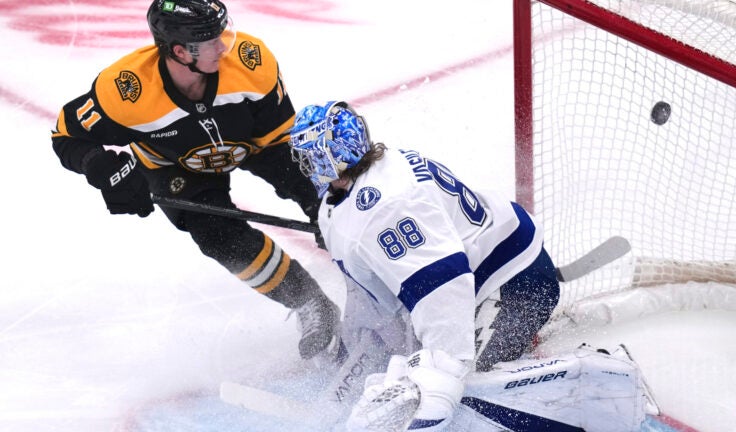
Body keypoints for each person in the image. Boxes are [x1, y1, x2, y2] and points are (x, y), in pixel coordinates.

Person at [49, 0, 339, 361]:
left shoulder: (251, 61)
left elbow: (283, 142)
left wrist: (317, 200)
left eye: (221, 33)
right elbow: (65, 136)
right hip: (174, 167)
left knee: (329, 203)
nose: (223, 47)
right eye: (209, 41)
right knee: (217, 235)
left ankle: (376, 279)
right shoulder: (127, 90)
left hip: (252, 143)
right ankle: (309, 301)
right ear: (180, 52)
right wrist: (102, 168)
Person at [288, 101, 562, 430]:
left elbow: (443, 288)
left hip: (515, 283)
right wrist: (355, 350)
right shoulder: (343, 201)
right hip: (473, 281)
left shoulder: (387, 207)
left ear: (329, 158)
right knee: (407, 367)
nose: (303, 166)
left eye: (307, 156)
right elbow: (373, 296)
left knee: (463, 395)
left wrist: (440, 379)